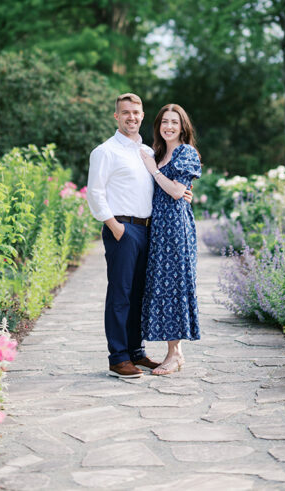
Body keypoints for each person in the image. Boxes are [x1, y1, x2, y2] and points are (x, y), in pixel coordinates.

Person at [86, 93, 165, 378]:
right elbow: (94, 193)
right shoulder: (105, 151)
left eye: (136, 112)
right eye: (125, 112)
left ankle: (136, 352)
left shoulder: (147, 150)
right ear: (116, 117)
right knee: (120, 294)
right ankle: (118, 358)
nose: (132, 117)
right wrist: (115, 226)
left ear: (142, 115)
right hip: (123, 229)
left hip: (147, 229)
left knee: (140, 295)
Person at [138, 103, 201, 375]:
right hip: (159, 229)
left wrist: (154, 171)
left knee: (173, 286)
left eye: (175, 122)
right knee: (162, 288)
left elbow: (176, 191)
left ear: (183, 126)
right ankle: (173, 352)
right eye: (165, 121)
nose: (169, 126)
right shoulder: (160, 154)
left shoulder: (185, 152)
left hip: (176, 230)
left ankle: (175, 354)